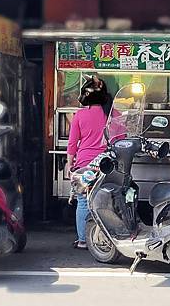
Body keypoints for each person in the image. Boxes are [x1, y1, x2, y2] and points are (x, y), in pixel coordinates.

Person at [65, 76, 111, 249]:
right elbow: (121, 139)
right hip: (107, 166)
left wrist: (71, 165)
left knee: (83, 202)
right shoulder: (113, 114)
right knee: (107, 201)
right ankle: (107, 237)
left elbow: (72, 143)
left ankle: (83, 240)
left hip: (84, 166)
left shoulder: (80, 115)